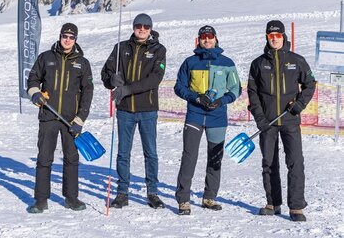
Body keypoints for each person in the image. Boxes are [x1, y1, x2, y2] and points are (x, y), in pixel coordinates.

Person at [247, 20, 316, 222]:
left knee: (295, 162)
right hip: (267, 122)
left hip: (290, 120)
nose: (275, 39)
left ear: (284, 37)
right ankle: (273, 203)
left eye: (278, 36)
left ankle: (296, 207)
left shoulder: (297, 60)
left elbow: (310, 84)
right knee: (269, 163)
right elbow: (253, 93)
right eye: (271, 36)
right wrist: (259, 118)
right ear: (267, 38)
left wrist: (299, 105)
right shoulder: (258, 63)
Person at [101, 13, 166, 209]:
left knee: (151, 153)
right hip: (125, 110)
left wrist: (127, 89)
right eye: (139, 25)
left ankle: (152, 192)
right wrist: (112, 80)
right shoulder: (121, 48)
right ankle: (122, 193)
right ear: (133, 27)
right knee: (123, 153)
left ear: (150, 28)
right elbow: (106, 72)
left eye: (146, 26)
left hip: (147, 109)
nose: (142, 29)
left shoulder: (158, 50)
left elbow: (155, 79)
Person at [27, 22, 93, 213]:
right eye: (65, 36)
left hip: (70, 121)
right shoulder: (46, 57)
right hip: (48, 116)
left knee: (71, 159)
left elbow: (87, 92)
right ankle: (40, 200)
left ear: (76, 39)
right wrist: (35, 94)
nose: (67, 40)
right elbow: (32, 79)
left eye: (71, 37)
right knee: (44, 158)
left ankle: (71, 198)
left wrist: (80, 120)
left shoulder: (82, 63)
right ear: (60, 36)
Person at [174, 25, 241, 215]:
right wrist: (196, 97)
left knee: (215, 158)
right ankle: (183, 200)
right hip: (195, 114)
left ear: (216, 38)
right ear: (198, 40)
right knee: (189, 156)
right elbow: (179, 87)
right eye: (203, 37)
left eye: (209, 36)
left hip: (217, 117)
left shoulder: (227, 63)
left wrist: (222, 101)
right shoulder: (190, 62)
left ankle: (209, 197)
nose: (206, 40)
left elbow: (235, 89)